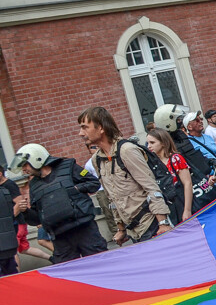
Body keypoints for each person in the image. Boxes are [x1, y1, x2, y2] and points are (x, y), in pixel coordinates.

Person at [78, 107, 173, 244]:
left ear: (101, 128)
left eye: (84, 127)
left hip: (152, 225)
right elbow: (112, 198)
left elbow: (151, 187)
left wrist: (163, 224)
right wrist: (121, 229)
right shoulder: (97, 159)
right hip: (133, 230)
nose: (81, 133)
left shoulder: (127, 150)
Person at [9, 143, 107, 263]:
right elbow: (37, 219)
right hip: (61, 238)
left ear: (36, 158)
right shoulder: (34, 185)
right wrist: (25, 211)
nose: (24, 170)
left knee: (101, 263)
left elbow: (94, 183)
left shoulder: (68, 166)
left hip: (85, 230)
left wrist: (75, 189)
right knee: (70, 274)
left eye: (25, 165)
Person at [146, 128, 193, 223]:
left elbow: (187, 184)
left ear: (163, 142)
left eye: (152, 143)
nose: (149, 146)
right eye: (147, 143)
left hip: (182, 202)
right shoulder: (154, 164)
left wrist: (187, 210)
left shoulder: (175, 158)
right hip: (169, 208)